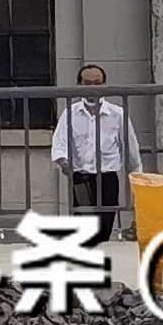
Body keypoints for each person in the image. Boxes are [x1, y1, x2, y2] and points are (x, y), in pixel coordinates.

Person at [50, 64, 137, 230]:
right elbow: (59, 143)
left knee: (104, 227)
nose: (92, 88)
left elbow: (131, 148)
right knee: (83, 227)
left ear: (104, 85)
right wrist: (64, 163)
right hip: (81, 178)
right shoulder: (70, 113)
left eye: (97, 83)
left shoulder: (117, 114)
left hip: (107, 178)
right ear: (79, 85)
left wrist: (136, 177)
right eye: (87, 83)